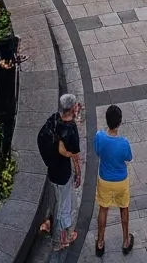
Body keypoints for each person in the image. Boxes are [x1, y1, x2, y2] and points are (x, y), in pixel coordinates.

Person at [37, 93, 85, 252]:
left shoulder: (53, 119)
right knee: (65, 206)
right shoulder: (70, 129)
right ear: (71, 108)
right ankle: (62, 239)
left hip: (52, 171)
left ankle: (50, 224)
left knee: (57, 199)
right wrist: (78, 172)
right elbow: (74, 154)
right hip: (63, 174)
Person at [93, 104, 135, 257]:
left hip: (104, 179)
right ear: (119, 122)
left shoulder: (99, 137)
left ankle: (100, 242)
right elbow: (128, 158)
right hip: (120, 181)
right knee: (124, 208)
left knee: (103, 209)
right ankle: (125, 241)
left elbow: (97, 152)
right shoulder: (124, 143)